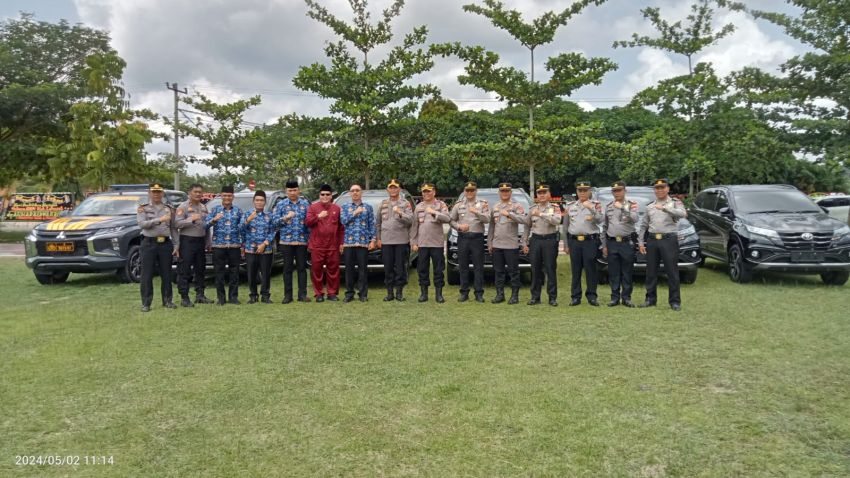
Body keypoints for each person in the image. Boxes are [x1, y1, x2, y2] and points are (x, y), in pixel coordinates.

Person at [638, 178, 686, 311]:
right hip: (653, 240)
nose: (659, 190)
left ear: (668, 189)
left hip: (669, 239)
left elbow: (683, 214)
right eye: (657, 188)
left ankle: (675, 301)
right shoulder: (650, 206)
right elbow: (643, 226)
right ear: (654, 190)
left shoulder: (675, 203)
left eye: (662, 187)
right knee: (651, 272)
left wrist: (665, 209)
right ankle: (650, 299)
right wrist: (641, 242)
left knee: (672, 271)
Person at [136, 183, 179, 312]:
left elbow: (173, 228)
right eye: (153, 192)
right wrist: (159, 219)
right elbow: (142, 224)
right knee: (147, 274)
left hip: (165, 243)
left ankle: (167, 300)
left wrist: (176, 244)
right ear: (149, 193)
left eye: (158, 192)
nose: (156, 194)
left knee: (166, 273)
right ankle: (146, 303)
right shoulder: (143, 208)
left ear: (162, 193)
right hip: (149, 243)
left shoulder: (169, 208)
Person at [563, 180, 604, 306]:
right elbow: (565, 227)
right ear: (577, 192)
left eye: (585, 190)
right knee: (576, 270)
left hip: (590, 241)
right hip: (574, 242)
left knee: (591, 270)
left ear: (589, 191)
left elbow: (600, 220)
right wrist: (566, 244)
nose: (582, 193)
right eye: (580, 190)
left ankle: (592, 296)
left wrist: (591, 209)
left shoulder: (596, 205)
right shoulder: (570, 206)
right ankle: (575, 297)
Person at [450, 181, 490, 302]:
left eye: (472, 190)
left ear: (476, 191)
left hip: (477, 238)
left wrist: (476, 212)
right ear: (464, 191)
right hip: (463, 238)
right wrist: (459, 227)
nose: (470, 192)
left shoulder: (483, 204)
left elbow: (487, 219)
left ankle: (479, 293)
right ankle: (464, 292)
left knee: (478, 267)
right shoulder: (458, 205)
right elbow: (451, 220)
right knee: (463, 266)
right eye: (467, 190)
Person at [411, 182, 451, 303]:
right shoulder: (419, 207)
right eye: (424, 191)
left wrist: (434, 212)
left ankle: (439, 294)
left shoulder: (441, 204)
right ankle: (424, 294)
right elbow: (414, 226)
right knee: (422, 269)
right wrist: (413, 242)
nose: (427, 193)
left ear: (434, 192)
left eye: (429, 191)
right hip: (422, 244)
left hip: (437, 243)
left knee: (438, 270)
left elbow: (448, 218)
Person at [488, 182, 527, 304]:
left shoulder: (516, 206)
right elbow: (491, 226)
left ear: (510, 193)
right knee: (498, 271)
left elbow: (524, 219)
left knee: (513, 271)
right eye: (502, 191)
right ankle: (500, 295)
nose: (504, 193)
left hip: (511, 245)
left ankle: (514, 296)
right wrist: (490, 242)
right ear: (499, 193)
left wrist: (510, 214)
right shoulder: (495, 207)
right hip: (497, 244)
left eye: (507, 191)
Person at [273, 179, 311, 303]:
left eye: (295, 190)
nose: (293, 192)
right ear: (286, 191)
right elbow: (274, 222)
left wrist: (310, 240)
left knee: (301, 268)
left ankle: (302, 294)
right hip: (286, 242)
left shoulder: (305, 204)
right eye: (290, 190)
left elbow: (309, 223)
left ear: (298, 190)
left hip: (302, 241)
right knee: (287, 269)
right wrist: (285, 218)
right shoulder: (281, 205)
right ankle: (288, 295)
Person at [522, 184, 561, 306]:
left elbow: (557, 220)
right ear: (536, 196)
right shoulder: (532, 209)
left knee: (550, 269)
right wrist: (525, 242)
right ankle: (535, 297)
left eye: (544, 192)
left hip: (550, 240)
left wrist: (541, 214)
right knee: (535, 269)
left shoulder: (555, 207)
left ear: (549, 194)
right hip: (536, 241)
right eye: (539, 193)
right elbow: (527, 226)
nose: (542, 195)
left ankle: (552, 298)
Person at [602, 181, 639, 307]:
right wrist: (604, 245)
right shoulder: (608, 206)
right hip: (612, 242)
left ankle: (626, 298)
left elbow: (635, 219)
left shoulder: (631, 204)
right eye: (614, 191)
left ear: (625, 191)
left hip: (626, 242)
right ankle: (614, 298)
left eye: (619, 190)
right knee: (614, 272)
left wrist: (622, 208)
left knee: (627, 271)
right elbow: (605, 226)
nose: (617, 193)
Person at [204, 185, 243, 305]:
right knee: (219, 272)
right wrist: (214, 220)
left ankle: (233, 297)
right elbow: (204, 226)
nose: (227, 197)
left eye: (229, 195)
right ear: (221, 196)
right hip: (218, 246)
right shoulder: (215, 210)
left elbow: (242, 227)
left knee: (234, 272)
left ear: (233, 197)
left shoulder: (238, 210)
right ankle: (221, 298)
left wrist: (243, 245)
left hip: (234, 246)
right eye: (225, 195)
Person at [376, 179, 414, 301]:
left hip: (401, 241)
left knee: (400, 268)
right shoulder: (383, 203)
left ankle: (399, 293)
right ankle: (389, 293)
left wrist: (401, 213)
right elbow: (378, 223)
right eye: (390, 187)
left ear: (399, 189)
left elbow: (411, 220)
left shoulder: (405, 203)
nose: (393, 189)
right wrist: (378, 238)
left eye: (395, 187)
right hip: (386, 241)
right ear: (387, 189)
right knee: (388, 268)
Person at [175, 183, 212, 307]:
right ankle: (184, 297)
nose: (198, 194)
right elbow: (177, 224)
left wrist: (208, 241)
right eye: (195, 192)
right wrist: (190, 219)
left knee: (200, 269)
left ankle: (200, 295)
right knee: (185, 270)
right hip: (187, 241)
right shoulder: (183, 207)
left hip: (200, 241)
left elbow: (206, 226)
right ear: (189, 193)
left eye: (200, 192)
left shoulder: (203, 207)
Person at [306, 184, 344, 302]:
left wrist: (341, 243)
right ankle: (319, 294)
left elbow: (341, 228)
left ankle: (332, 293)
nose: (325, 196)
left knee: (333, 270)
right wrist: (318, 216)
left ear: (331, 196)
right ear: (319, 195)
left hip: (333, 245)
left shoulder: (337, 208)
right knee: (316, 270)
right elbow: (307, 222)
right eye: (323, 194)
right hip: (317, 245)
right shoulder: (313, 207)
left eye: (328, 194)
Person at [340, 184, 376, 302]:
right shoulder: (345, 207)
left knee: (363, 270)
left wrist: (373, 239)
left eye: (357, 190)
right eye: (352, 191)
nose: (355, 192)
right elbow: (343, 221)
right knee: (349, 269)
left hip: (363, 243)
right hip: (349, 243)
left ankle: (363, 294)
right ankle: (349, 294)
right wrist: (355, 213)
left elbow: (372, 224)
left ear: (361, 193)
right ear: (350, 193)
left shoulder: (368, 207)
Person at [242, 190, 275, 304]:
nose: (259, 202)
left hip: (266, 249)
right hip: (250, 249)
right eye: (257, 200)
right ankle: (253, 296)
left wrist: (265, 243)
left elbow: (273, 231)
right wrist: (247, 220)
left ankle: (265, 296)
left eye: (262, 200)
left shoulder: (269, 215)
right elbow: (240, 229)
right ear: (253, 201)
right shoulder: (247, 214)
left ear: (265, 202)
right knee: (251, 273)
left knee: (265, 273)